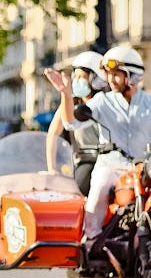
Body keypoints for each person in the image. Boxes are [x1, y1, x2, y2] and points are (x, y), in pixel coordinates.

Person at [48, 45, 151, 251]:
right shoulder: (102, 101)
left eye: (116, 75)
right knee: (97, 191)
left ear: (133, 76)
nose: (110, 80)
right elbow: (71, 123)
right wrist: (65, 93)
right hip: (111, 166)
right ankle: (91, 242)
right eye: (109, 75)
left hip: (144, 168)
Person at [44, 51, 107, 194]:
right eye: (75, 76)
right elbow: (53, 134)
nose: (77, 80)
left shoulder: (105, 102)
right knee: (80, 185)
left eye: (82, 77)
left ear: (95, 79)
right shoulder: (70, 102)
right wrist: (52, 169)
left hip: (108, 160)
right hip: (85, 161)